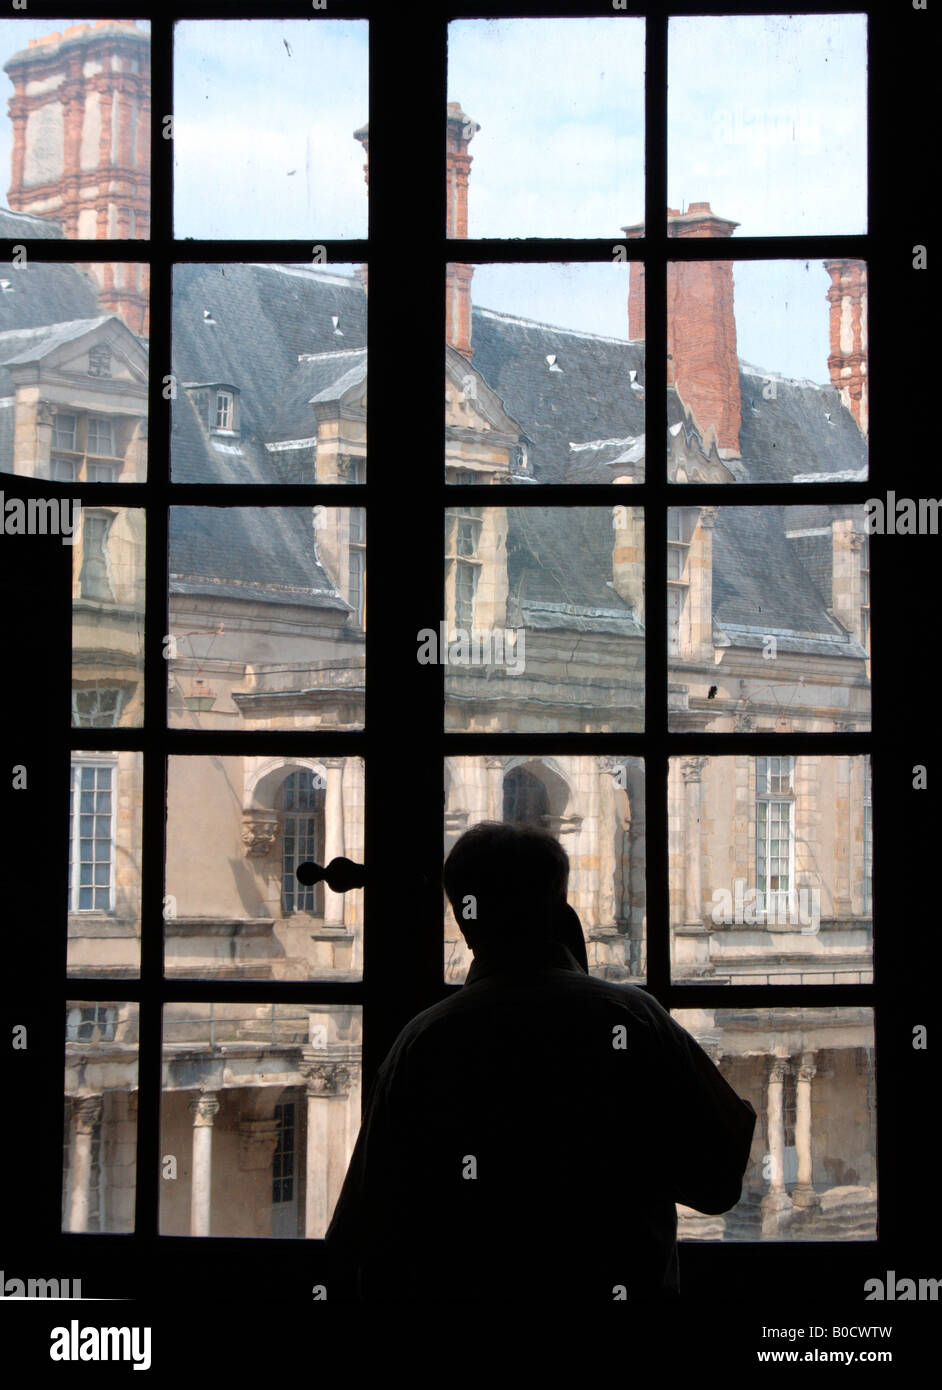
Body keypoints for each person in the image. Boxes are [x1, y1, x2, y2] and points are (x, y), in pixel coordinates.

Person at [326, 822, 756, 1300]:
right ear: (559, 907)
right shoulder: (634, 1018)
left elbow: (364, 1231)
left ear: (466, 921)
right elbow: (718, 1185)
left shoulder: (424, 1041)